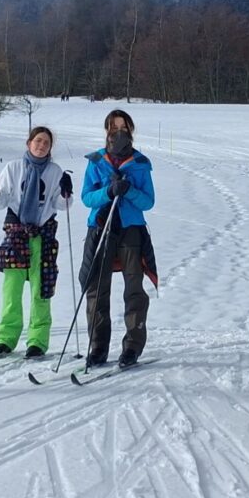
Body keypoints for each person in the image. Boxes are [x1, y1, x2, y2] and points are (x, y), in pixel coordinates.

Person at [0, 127, 73, 358]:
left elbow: (60, 205)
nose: (41, 146)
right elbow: (1, 202)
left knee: (40, 291)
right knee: (11, 291)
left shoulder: (54, 171)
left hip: (43, 235)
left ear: (50, 148)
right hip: (16, 234)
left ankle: (37, 341)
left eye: (46, 143)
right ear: (29, 142)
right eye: (38, 141)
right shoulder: (13, 168)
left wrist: (66, 193)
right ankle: (6, 338)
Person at [78, 109, 158, 368]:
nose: (118, 133)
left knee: (134, 289)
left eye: (123, 128)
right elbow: (86, 198)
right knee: (97, 289)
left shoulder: (140, 162)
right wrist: (108, 191)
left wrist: (129, 190)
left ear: (131, 131)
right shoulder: (96, 160)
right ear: (107, 132)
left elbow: (148, 201)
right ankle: (98, 346)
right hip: (101, 227)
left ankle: (132, 347)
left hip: (130, 229)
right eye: (113, 129)